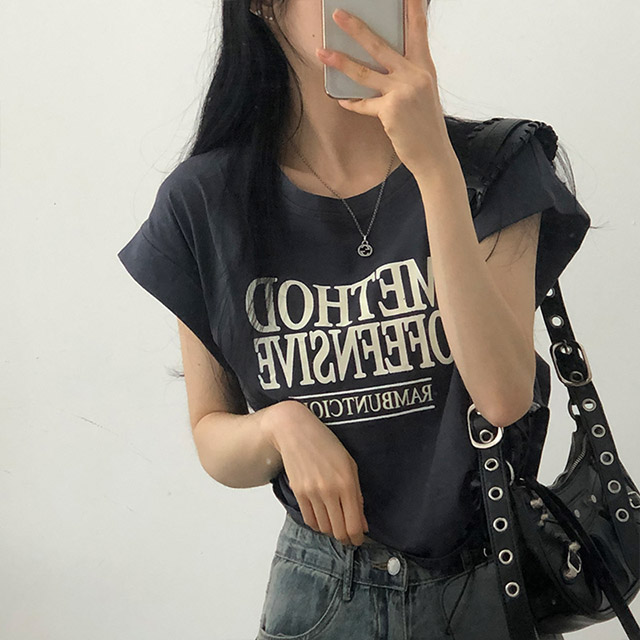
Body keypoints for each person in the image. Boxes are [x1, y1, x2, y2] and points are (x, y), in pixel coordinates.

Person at [117, 0, 592, 637]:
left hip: (487, 587)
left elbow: (504, 397)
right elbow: (212, 436)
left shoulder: (495, 165)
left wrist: (435, 167)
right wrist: (279, 428)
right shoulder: (206, 202)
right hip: (320, 597)